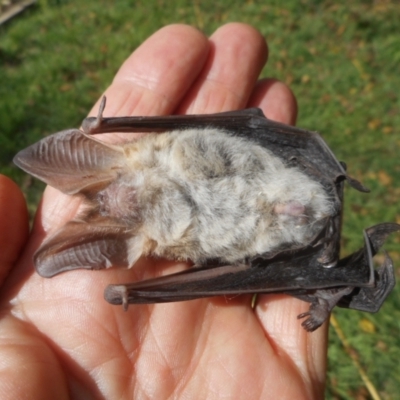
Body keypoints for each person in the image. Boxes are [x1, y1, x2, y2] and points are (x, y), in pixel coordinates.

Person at [0, 23, 327, 399]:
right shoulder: (152, 236)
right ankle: (323, 271)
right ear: (115, 232)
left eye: (103, 194)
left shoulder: (151, 154)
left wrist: (105, 129)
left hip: (278, 175)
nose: (111, 201)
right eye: (105, 210)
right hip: (272, 226)